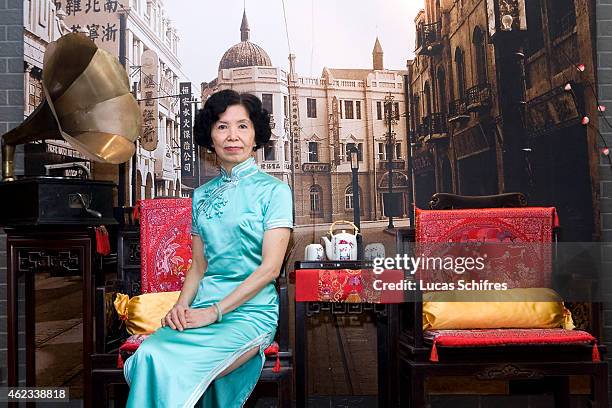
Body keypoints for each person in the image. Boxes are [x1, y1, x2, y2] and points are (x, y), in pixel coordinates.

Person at [123, 89, 293, 407]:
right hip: (201, 309)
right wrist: (180, 307)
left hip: (250, 314)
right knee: (150, 354)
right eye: (221, 126)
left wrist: (214, 313)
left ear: (256, 134)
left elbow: (270, 269)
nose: (232, 136)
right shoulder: (201, 196)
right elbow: (198, 267)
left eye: (242, 126)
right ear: (210, 137)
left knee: (174, 363)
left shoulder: (275, 191)